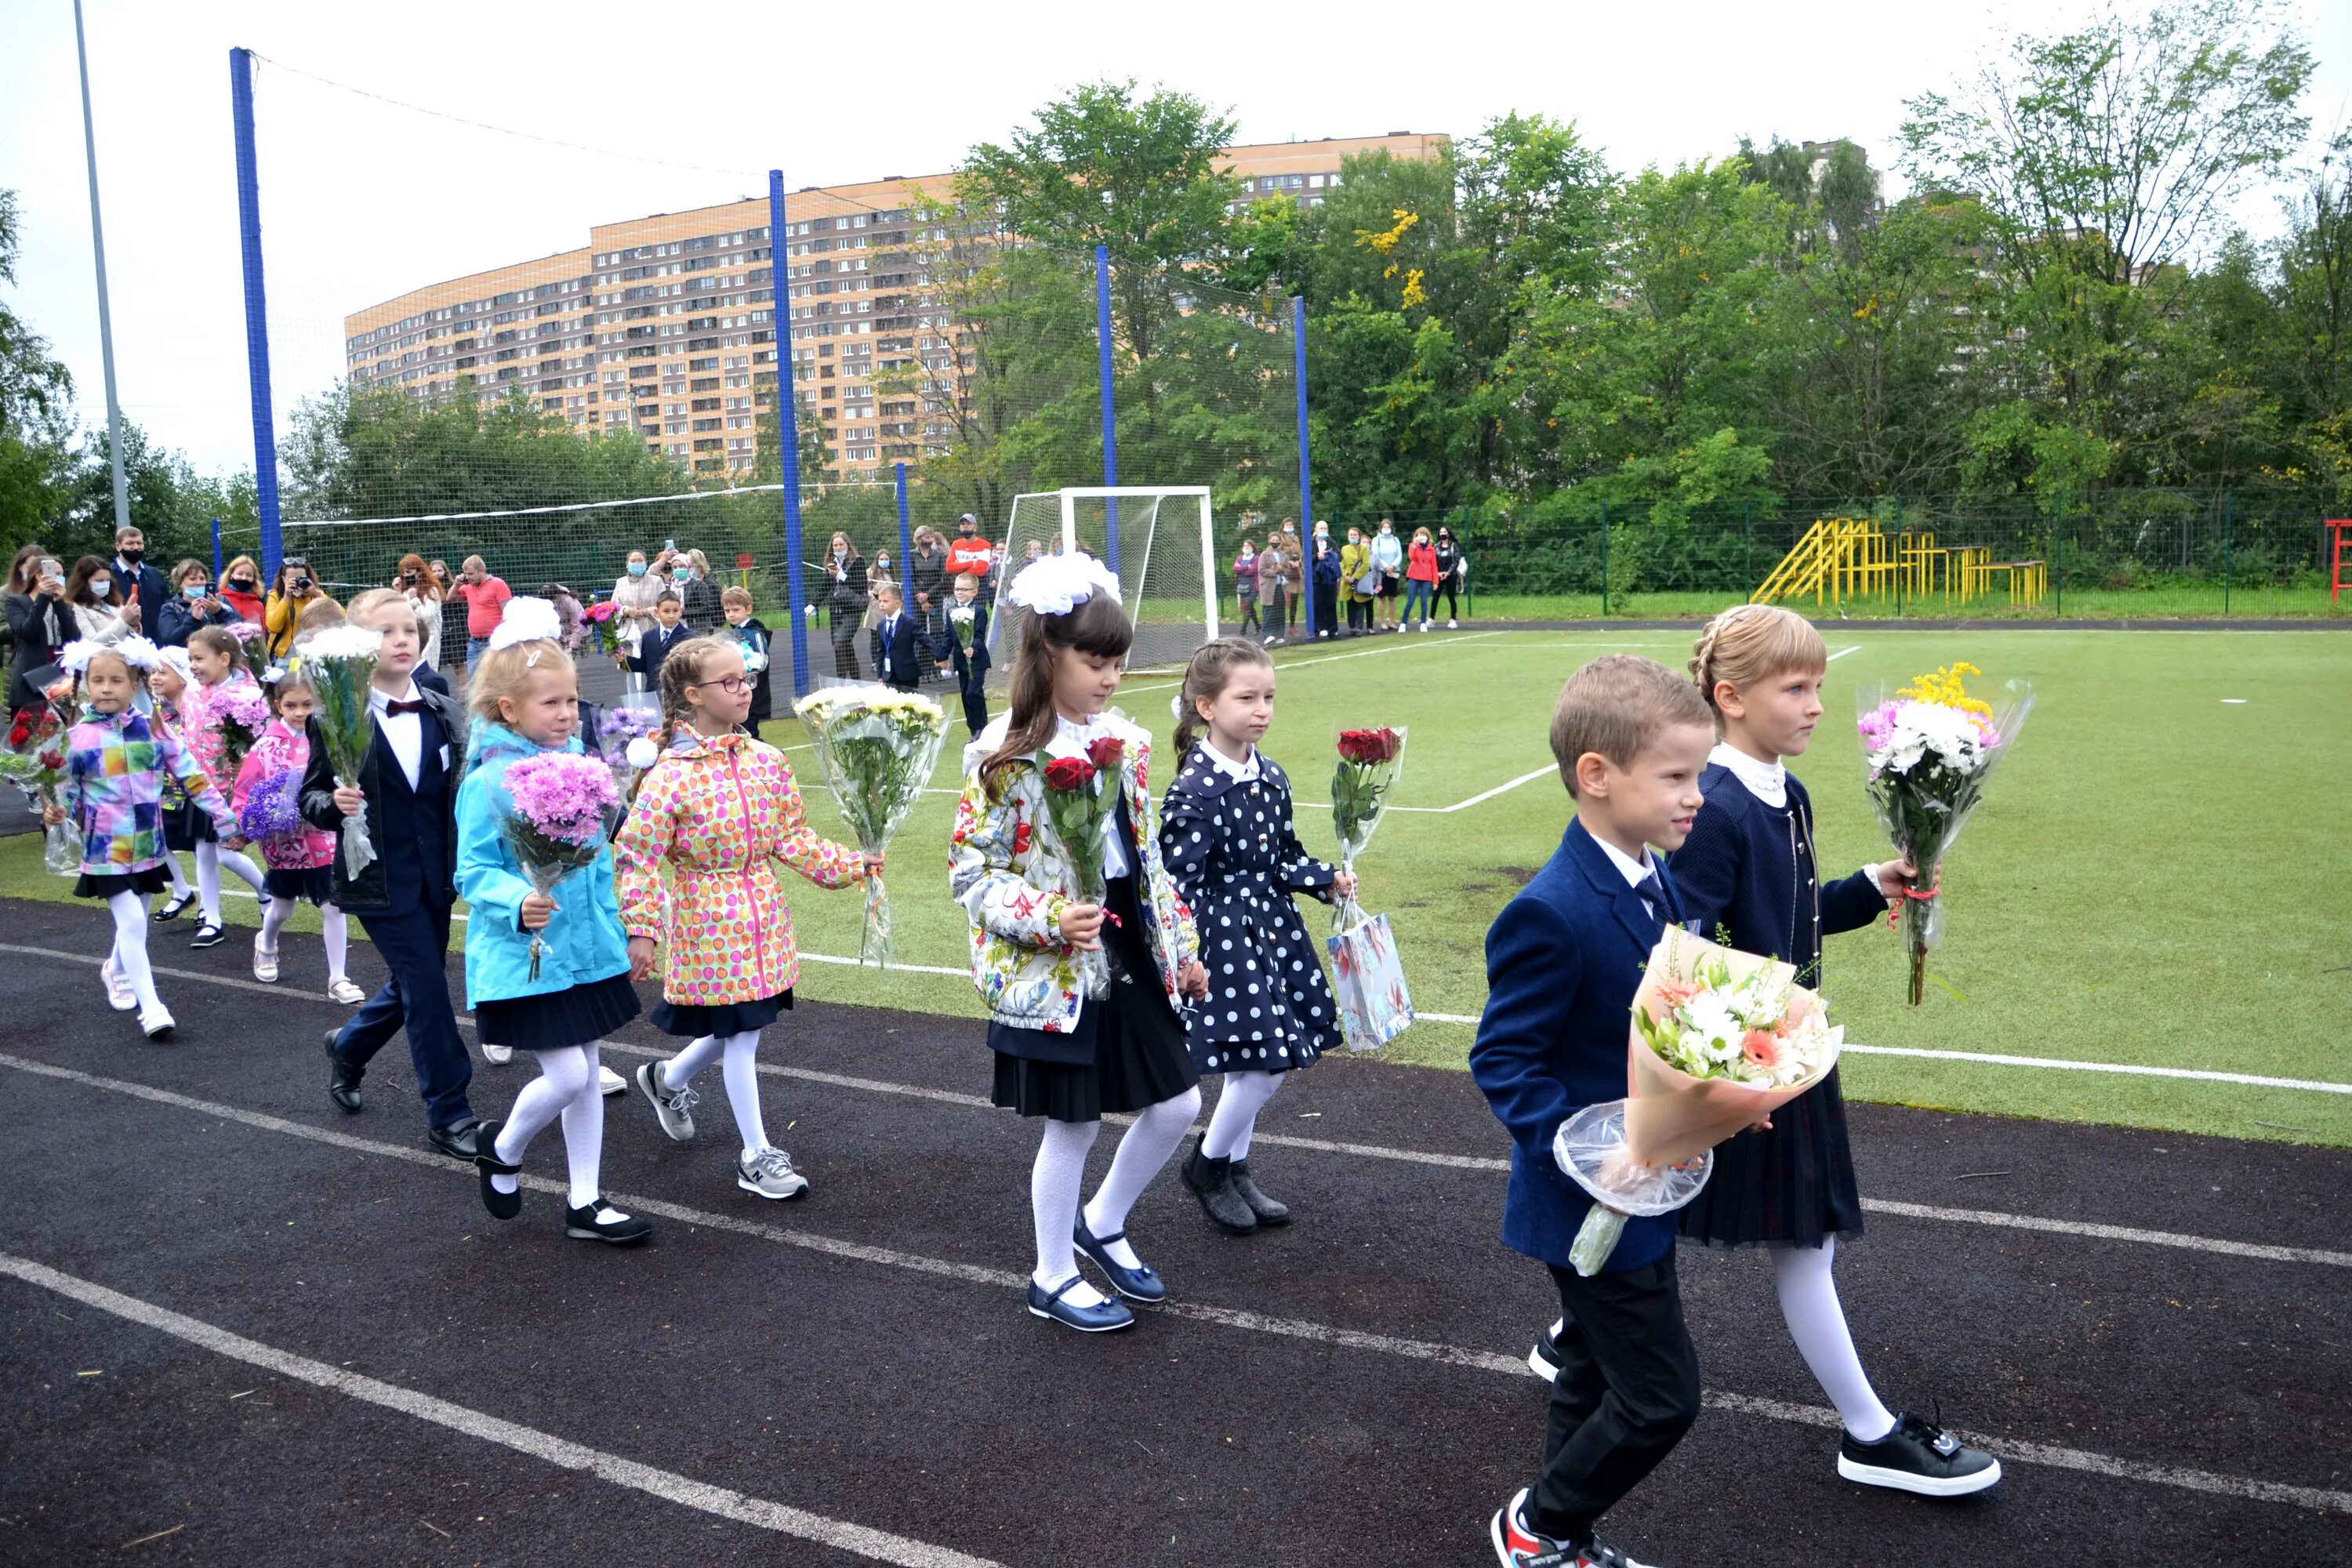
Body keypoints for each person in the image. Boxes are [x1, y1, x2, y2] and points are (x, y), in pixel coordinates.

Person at [1651, 604, 1999, 1498]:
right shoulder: (1715, 805)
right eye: (1794, 687)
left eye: (1819, 687)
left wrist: (1868, 887)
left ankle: (1576, 1334)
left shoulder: (1787, 792)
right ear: (1729, 697)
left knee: (1675, 1205)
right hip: (1747, 1055)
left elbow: (1794, 919)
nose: (1815, 705)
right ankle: (1870, 1432)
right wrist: (1726, 1070)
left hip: (1789, 1042)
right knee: (1794, 1240)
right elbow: (1683, 946)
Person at [1468, 655, 1712, 1568]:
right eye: (1678, 776)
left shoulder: (1654, 874)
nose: (1696, 796)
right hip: (1592, 1195)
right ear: (1597, 775)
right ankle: (1540, 1519)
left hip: (1645, 1192)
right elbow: (1503, 1059)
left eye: (1699, 775)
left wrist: (1721, 1093)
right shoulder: (1551, 910)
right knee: (1661, 1397)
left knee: (1591, 1370)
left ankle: (1554, 1538)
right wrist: (1589, 1149)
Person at [948, 553, 1212, 1334]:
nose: (1109, 676)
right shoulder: (1003, 752)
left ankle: (1103, 1218)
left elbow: (1150, 859)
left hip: (1129, 944)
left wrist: (1183, 947)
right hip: (1055, 963)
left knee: (1179, 1102)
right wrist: (1047, 915)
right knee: (1077, 1123)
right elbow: (972, 868)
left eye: (1119, 662)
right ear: (1047, 652)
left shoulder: (1124, 742)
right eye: (1094, 660)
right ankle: (1051, 1271)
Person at [622, 634, 875, 1202]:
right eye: (729, 681)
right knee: (741, 1034)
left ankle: (668, 1079)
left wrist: (850, 865)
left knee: (748, 1022)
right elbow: (636, 857)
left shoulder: (767, 761)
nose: (744, 689)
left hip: (765, 918)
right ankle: (756, 1154)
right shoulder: (670, 775)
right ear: (694, 695)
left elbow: (792, 837)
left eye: (747, 678)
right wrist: (641, 928)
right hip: (708, 921)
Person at [457, 604, 652, 1245]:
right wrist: (518, 901)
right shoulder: (487, 781)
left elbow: (598, 861)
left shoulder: (585, 765)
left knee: (588, 1074)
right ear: (509, 709)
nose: (568, 712)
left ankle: (586, 1200)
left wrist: (623, 928)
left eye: (571, 699)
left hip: (587, 949)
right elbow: (473, 868)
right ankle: (503, 1144)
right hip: (526, 954)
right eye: (550, 702)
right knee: (568, 1076)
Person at [1160, 638, 1348, 1233]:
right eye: (1247, 697)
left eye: (1269, 696)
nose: (1262, 708)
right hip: (1223, 940)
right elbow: (1177, 884)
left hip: (1272, 931)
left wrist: (1327, 879)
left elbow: (1282, 859)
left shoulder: (1272, 776)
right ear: (1208, 707)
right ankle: (1208, 1165)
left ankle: (1236, 1169)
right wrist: (1184, 954)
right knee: (1264, 1063)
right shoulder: (1193, 790)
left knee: (1256, 1065)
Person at [300, 588, 485, 1161]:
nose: (402, 639)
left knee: (414, 982)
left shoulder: (440, 705)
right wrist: (335, 806)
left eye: (409, 628)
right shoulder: (333, 717)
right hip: (377, 879)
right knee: (429, 989)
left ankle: (349, 1046)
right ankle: (449, 1111)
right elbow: (308, 797)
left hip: (438, 874)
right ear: (357, 645)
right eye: (386, 631)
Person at [45, 635, 238, 1040]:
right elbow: (62, 786)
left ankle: (114, 968)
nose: (106, 688)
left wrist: (224, 817)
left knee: (137, 923)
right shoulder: (77, 737)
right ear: (85, 684)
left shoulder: (153, 728)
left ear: (135, 683)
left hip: (150, 846)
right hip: (106, 848)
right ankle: (153, 1008)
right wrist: (55, 809)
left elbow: (191, 775)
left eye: (116, 680)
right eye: (97, 680)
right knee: (132, 920)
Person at [230, 663, 364, 1004]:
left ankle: (338, 977)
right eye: (291, 705)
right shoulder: (265, 748)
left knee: (333, 905)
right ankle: (267, 942)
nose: (300, 712)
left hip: (322, 835)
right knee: (282, 908)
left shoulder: (331, 740)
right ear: (278, 705)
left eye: (308, 705)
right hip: (282, 842)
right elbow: (245, 792)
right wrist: (249, 825)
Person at [177, 625, 272, 947]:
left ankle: (266, 892)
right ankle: (213, 919)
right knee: (203, 853)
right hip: (199, 786)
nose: (193, 666)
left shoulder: (249, 693)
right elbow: (187, 732)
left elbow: (262, 737)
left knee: (227, 854)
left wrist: (244, 760)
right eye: (191, 659)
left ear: (224, 659)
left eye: (200, 658)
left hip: (231, 789)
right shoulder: (191, 692)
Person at [143, 648, 203, 921]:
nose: (155, 678)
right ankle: (181, 891)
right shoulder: (156, 710)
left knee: (213, 853)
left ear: (182, 677)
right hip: (165, 792)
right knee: (159, 840)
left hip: (196, 791)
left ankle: (260, 894)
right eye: (153, 672)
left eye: (162, 672)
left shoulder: (195, 708)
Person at [5, 546, 71, 714]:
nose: (58, 578)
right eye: (54, 573)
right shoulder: (16, 601)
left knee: (62, 735)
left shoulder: (61, 603)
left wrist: (59, 603)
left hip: (60, 677)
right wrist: (42, 597)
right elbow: (29, 632)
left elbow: (73, 637)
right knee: (28, 736)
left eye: (61, 574)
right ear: (39, 575)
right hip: (31, 679)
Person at [718, 586, 774, 739]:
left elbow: (760, 662)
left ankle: (763, 759)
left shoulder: (755, 633)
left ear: (748, 609)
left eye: (736, 610)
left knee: (750, 733)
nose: (731, 614)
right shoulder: (731, 633)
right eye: (727, 610)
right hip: (736, 689)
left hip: (752, 690)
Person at [941, 571, 991, 736]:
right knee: (965, 695)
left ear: (974, 592)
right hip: (961, 661)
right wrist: (942, 656)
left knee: (973, 692)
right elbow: (948, 637)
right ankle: (973, 730)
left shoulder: (980, 611)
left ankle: (981, 728)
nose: (960, 593)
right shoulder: (951, 611)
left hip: (976, 661)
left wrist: (973, 648)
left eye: (964, 589)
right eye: (957, 589)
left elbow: (979, 635)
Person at [610, 549, 666, 692]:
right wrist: (627, 610)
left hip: (651, 629)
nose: (637, 563)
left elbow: (664, 605)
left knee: (655, 668)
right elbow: (614, 606)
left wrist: (645, 611)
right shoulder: (620, 583)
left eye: (640, 560)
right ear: (626, 564)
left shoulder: (656, 581)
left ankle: (658, 705)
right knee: (631, 671)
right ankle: (634, 705)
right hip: (630, 632)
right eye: (633, 561)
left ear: (646, 563)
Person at [158, 560, 238, 648]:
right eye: (193, 579)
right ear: (181, 583)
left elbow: (240, 628)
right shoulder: (171, 607)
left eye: (202, 578)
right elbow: (170, 641)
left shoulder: (221, 601)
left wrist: (219, 612)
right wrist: (193, 620)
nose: (199, 582)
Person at [868, 579, 930, 692]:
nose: (881, 604)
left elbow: (926, 640)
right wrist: (880, 674)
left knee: (909, 704)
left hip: (908, 674)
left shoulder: (909, 622)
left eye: (885, 601)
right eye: (880, 601)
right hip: (889, 674)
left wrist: (941, 656)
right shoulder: (881, 625)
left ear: (897, 603)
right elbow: (881, 651)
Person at [263, 556, 328, 660]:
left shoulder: (317, 595)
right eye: (293, 580)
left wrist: (317, 596)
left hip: (314, 656)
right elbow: (273, 627)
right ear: (284, 580)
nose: (298, 583)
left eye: (301, 578)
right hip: (286, 658)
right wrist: (286, 599)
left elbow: (341, 617)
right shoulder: (275, 596)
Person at [824, 532, 869, 681]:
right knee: (846, 646)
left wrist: (841, 575)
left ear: (847, 545)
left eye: (841, 544)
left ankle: (840, 681)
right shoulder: (831, 563)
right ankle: (856, 681)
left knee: (840, 644)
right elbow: (825, 587)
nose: (838, 547)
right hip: (836, 612)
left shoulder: (857, 561)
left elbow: (861, 585)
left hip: (852, 609)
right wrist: (812, 605)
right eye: (835, 545)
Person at [452, 556, 512, 666]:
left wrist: (501, 635)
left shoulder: (497, 584)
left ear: (481, 571)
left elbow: (508, 611)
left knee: (494, 678)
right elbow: (450, 598)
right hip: (475, 642)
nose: (467, 577)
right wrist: (456, 584)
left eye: (470, 574)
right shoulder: (469, 587)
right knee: (474, 680)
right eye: (465, 574)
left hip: (493, 640)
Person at [65, 556, 139, 644]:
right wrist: (123, 620)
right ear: (84, 581)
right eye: (99, 581)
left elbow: (133, 638)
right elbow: (91, 642)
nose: (105, 584)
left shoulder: (114, 603)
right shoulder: (76, 607)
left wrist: (134, 624)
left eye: (107, 580)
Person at [111, 526, 169, 633]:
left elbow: (165, 606)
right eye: (130, 543)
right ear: (118, 546)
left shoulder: (155, 574)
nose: (136, 547)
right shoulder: (109, 576)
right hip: (123, 640)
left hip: (157, 641)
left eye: (139, 543)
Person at [395, 554, 445, 671]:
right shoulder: (406, 591)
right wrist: (397, 593)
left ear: (419, 572)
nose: (405, 576)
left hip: (429, 640)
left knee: (425, 674)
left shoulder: (431, 590)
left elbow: (427, 616)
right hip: (410, 638)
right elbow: (400, 614)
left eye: (408, 572)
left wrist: (414, 600)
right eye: (403, 573)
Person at [635, 593, 693, 691]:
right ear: (657, 612)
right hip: (654, 692)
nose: (671, 616)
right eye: (666, 611)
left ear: (681, 611)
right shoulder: (648, 637)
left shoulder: (689, 637)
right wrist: (624, 660)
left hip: (678, 692)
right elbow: (645, 665)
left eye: (675, 611)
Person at [909, 526, 949, 658]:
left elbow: (943, 578)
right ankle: (922, 667)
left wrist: (928, 595)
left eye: (931, 537)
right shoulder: (911, 555)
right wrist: (922, 599)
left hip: (936, 598)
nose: (930, 540)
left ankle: (937, 663)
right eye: (927, 537)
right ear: (919, 539)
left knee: (937, 630)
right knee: (920, 631)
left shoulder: (939, 555)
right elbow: (910, 579)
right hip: (917, 599)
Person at [674, 548, 722, 633]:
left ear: (699, 566)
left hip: (706, 629)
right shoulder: (682, 585)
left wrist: (683, 613)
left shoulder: (710, 585)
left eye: (690, 566)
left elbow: (713, 610)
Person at [1370, 517, 1405, 631]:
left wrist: (1393, 566)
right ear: (1381, 528)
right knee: (1382, 597)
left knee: (1392, 597)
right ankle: (1383, 622)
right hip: (1382, 572)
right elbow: (1376, 555)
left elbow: (1399, 555)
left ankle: (1392, 621)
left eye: (1388, 527)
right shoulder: (1376, 540)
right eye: (1384, 527)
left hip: (1394, 571)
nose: (1386, 529)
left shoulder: (1395, 540)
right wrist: (1386, 567)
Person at [946, 512, 994, 591]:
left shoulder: (985, 545)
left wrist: (959, 566)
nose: (965, 526)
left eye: (968, 523)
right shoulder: (956, 544)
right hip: (960, 585)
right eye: (962, 524)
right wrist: (971, 563)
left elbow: (980, 570)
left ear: (975, 527)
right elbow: (949, 567)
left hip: (978, 586)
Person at [1340, 527, 1374, 637]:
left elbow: (1365, 565)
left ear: (1359, 536)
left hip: (1359, 581)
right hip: (1347, 581)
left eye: (1355, 535)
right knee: (1350, 605)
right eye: (1351, 535)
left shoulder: (1363, 549)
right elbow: (1341, 564)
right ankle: (1352, 627)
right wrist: (1346, 576)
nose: (1353, 537)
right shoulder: (1344, 549)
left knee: (1360, 604)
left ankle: (1359, 628)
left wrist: (1354, 577)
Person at [1405, 526, 1440, 631]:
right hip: (1414, 576)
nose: (1421, 537)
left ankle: (1423, 623)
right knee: (1410, 600)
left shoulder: (1431, 549)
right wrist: (1416, 546)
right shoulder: (1413, 546)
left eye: (1423, 535)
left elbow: (1434, 565)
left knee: (1424, 601)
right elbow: (1412, 558)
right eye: (1419, 535)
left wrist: (1435, 581)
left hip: (1427, 578)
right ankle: (1403, 622)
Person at [1256, 537, 1287, 648]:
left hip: (1281, 587)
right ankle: (1268, 635)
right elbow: (1261, 570)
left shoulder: (1283, 555)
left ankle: (1279, 634)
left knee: (1280, 610)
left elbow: (1287, 569)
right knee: (1269, 610)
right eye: (1273, 540)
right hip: (1269, 588)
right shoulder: (1265, 554)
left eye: (1277, 540)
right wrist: (1275, 571)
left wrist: (1282, 569)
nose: (1275, 542)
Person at [1434, 525, 1468, 629]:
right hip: (1438, 575)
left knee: (1451, 597)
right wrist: (1438, 573)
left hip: (1451, 575)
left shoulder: (1454, 546)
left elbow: (1456, 561)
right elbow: (1433, 562)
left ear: (1448, 533)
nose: (1442, 534)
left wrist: (1448, 572)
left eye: (1444, 532)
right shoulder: (1436, 547)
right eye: (1441, 532)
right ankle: (1431, 618)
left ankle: (1453, 619)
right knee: (1435, 597)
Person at [219, 556, 267, 626]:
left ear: (254, 578)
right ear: (231, 575)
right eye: (240, 574)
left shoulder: (258, 605)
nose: (244, 578)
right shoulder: (220, 600)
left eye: (249, 575)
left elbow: (262, 633)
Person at [1311, 533, 1341, 641]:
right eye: (1321, 529)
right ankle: (1319, 628)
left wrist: (1329, 555)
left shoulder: (1332, 542)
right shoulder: (1310, 543)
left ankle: (1333, 630)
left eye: (1325, 529)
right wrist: (1317, 557)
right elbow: (1306, 559)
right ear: (1316, 531)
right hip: (1316, 578)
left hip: (1330, 577)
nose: (1323, 531)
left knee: (1331, 603)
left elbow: (1338, 556)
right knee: (1318, 603)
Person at [1278, 519, 1305, 638]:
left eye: (1291, 524)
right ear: (1283, 526)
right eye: (1287, 525)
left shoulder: (1296, 539)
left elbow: (1300, 553)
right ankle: (1279, 627)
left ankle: (1292, 626)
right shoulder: (1280, 538)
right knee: (1282, 601)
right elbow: (1279, 553)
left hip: (1296, 573)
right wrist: (1289, 562)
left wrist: (1299, 562)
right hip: (1285, 572)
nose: (1289, 526)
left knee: (1294, 601)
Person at [1232, 538, 1260, 637]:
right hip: (1242, 585)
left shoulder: (1256, 558)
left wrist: (1243, 570)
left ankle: (1243, 629)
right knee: (1250, 607)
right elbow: (1235, 568)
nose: (1246, 548)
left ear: (1253, 547)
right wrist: (1246, 567)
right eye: (1245, 546)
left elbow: (1253, 570)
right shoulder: (1240, 558)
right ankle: (1258, 626)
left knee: (1248, 605)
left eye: (1248, 546)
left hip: (1253, 585)